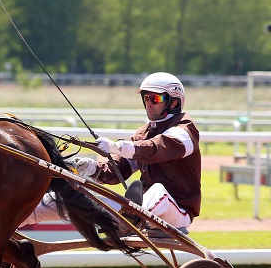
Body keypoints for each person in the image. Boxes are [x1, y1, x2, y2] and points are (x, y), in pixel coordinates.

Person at [21, 72, 201, 232]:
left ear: (174, 102)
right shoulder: (142, 134)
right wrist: (89, 167)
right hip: (138, 210)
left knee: (158, 191)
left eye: (155, 99)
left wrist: (118, 147)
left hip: (177, 212)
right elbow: (116, 172)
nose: (149, 104)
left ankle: (130, 220)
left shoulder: (185, 130)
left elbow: (156, 148)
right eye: (146, 98)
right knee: (67, 197)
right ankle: (13, 219)